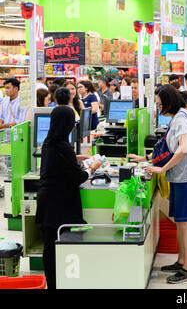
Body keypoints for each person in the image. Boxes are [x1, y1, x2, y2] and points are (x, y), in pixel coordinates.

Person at [36, 105, 102, 289]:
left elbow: (60, 163)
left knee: (49, 247)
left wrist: (76, 158)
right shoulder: (63, 147)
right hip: (58, 204)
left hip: (48, 202)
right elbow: (77, 178)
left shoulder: (49, 142)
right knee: (56, 247)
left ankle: (53, 283)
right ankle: (57, 284)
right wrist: (92, 168)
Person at [145, 84, 187, 284]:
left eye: (160, 104)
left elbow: (184, 148)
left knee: (186, 222)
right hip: (180, 176)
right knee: (180, 220)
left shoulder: (180, 118)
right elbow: (170, 149)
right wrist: (146, 158)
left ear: (169, 101)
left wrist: (161, 169)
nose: (159, 109)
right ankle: (181, 261)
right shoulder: (178, 117)